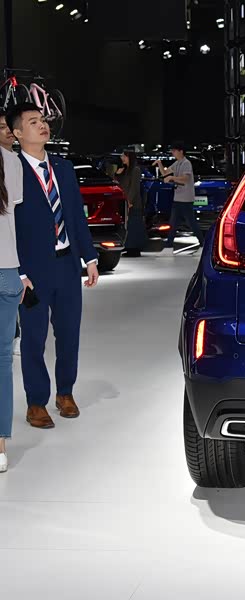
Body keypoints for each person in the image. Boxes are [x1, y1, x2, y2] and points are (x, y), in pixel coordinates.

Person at [6, 103, 99, 429]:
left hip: (67, 266)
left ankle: (65, 393)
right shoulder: (11, 170)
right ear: (18, 133)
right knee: (33, 338)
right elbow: (7, 226)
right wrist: (18, 272)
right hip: (32, 271)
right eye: (33, 121)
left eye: (43, 120)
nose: (42, 125)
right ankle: (36, 402)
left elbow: (75, 216)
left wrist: (90, 258)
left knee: (69, 333)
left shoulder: (63, 167)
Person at [0, 115, 25, 472]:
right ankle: (0, 447)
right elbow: (15, 213)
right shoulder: (13, 161)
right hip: (7, 268)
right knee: (2, 361)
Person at [153, 142, 204, 249]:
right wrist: (159, 164)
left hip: (186, 198)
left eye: (174, 151)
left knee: (191, 222)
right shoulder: (177, 163)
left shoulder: (186, 163)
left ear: (181, 151)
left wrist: (172, 178)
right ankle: (169, 242)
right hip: (178, 197)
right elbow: (165, 173)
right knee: (174, 221)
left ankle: (202, 241)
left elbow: (185, 179)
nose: (173, 153)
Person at [115, 151, 146, 257]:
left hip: (133, 203)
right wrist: (117, 174)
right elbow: (118, 184)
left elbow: (134, 188)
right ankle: (128, 247)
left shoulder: (135, 170)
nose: (122, 158)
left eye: (124, 156)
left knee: (134, 226)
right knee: (128, 226)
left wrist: (129, 201)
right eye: (122, 156)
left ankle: (134, 249)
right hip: (124, 202)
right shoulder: (124, 170)